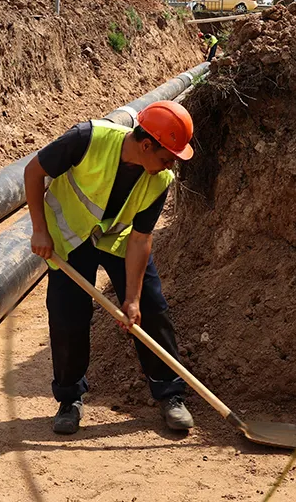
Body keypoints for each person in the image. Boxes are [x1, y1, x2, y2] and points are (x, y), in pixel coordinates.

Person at [24, 100, 196, 436]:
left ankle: (170, 394)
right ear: (146, 145)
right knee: (67, 316)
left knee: (150, 306)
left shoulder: (160, 180)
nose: (168, 166)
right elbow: (34, 171)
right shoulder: (87, 138)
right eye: (166, 157)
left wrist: (130, 298)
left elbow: (141, 238)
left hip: (116, 241)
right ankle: (69, 398)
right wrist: (40, 229)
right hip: (70, 238)